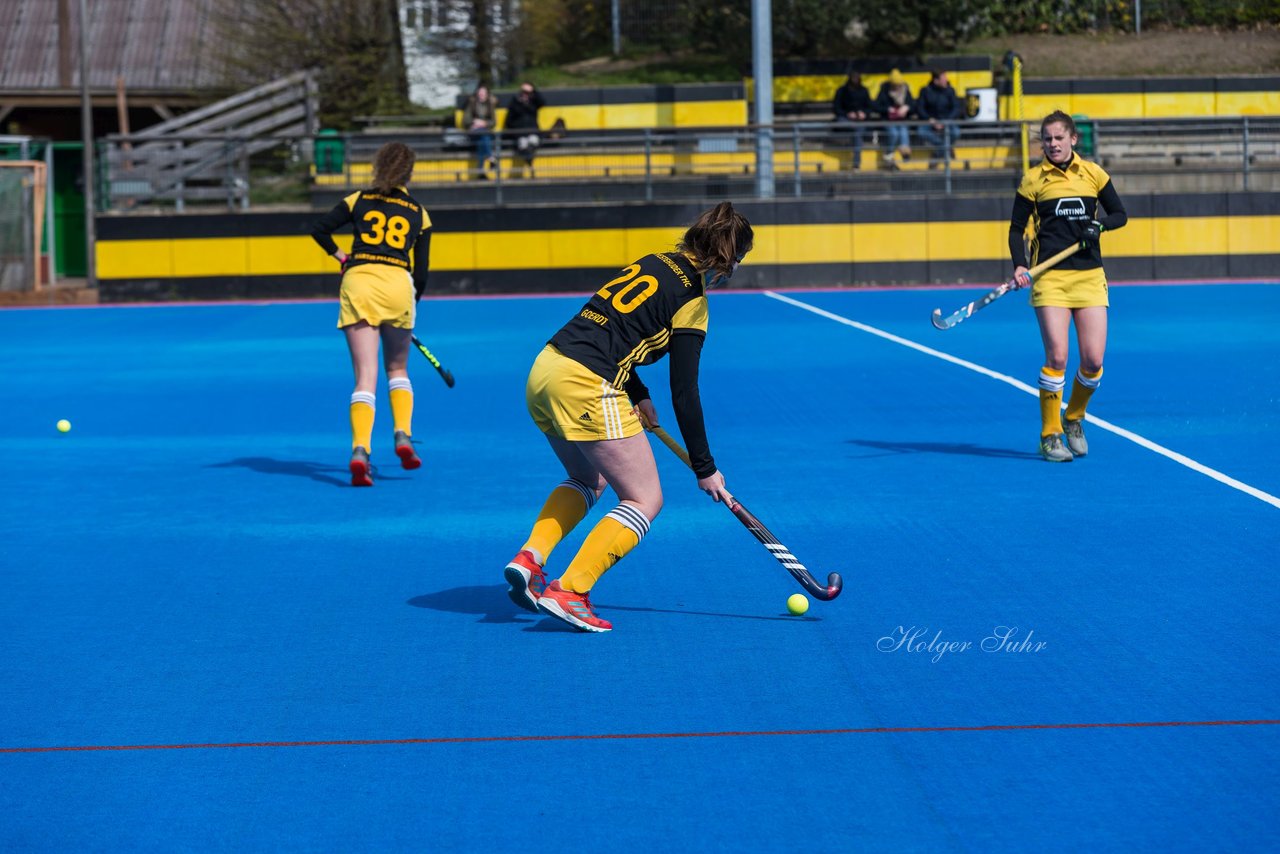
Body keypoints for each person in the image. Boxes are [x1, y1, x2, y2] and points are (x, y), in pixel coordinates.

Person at [504, 202, 754, 632]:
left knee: (587, 479)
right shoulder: (692, 301)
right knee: (644, 498)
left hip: (546, 368)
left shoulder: (651, 261)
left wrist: (637, 393)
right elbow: (685, 391)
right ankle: (571, 589)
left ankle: (530, 559)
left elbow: (612, 327)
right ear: (728, 260)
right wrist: (705, 467)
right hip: (587, 384)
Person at [1008, 111, 1128, 462]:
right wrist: (1019, 264)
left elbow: (1119, 214)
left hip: (1089, 275)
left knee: (1092, 361)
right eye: (1047, 139)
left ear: (1073, 139)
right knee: (1057, 356)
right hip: (1051, 279)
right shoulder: (1032, 180)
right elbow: (1017, 229)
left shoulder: (1093, 174)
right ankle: (1050, 435)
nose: (1053, 144)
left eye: (1059, 138)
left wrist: (1099, 227)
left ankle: (1073, 417)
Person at [310, 141, 433, 485]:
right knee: (397, 368)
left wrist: (341, 257)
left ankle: (360, 450)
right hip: (397, 287)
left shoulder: (357, 200)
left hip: (359, 282)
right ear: (409, 172)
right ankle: (403, 434)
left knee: (365, 376)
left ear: (378, 167)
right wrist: (411, 305)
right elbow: (421, 273)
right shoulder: (419, 213)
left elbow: (319, 229)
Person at [916, 69, 964, 167]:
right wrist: (930, 119)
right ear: (936, 81)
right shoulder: (925, 91)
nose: (946, 80)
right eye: (943, 78)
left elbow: (956, 108)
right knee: (921, 131)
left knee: (956, 132)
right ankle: (946, 148)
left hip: (947, 120)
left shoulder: (950, 90)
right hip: (931, 121)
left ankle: (938, 154)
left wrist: (946, 121)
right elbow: (920, 108)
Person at [832, 71, 874, 170]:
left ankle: (856, 164)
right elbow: (836, 108)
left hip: (860, 121)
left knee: (858, 131)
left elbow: (869, 108)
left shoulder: (864, 91)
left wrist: (863, 114)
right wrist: (847, 114)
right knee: (858, 130)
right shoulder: (841, 91)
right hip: (845, 120)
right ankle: (856, 164)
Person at [875, 69, 915, 169]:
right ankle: (889, 153)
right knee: (894, 133)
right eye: (895, 85)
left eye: (899, 85)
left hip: (901, 120)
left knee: (903, 131)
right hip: (888, 120)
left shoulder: (906, 90)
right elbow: (876, 106)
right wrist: (888, 109)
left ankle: (905, 153)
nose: (897, 87)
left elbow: (913, 105)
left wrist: (907, 107)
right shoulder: (884, 91)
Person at [503, 82, 546, 175]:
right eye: (523, 92)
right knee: (524, 145)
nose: (525, 95)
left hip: (533, 132)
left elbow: (542, 102)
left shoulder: (533, 103)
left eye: (527, 93)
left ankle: (530, 165)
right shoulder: (514, 104)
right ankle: (531, 166)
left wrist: (533, 90)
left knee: (533, 142)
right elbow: (508, 121)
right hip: (520, 134)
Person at [462, 84, 499, 179]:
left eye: (483, 93)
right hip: (473, 131)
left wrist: (484, 123)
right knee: (483, 136)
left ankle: (481, 171)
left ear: (487, 95)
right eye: (479, 93)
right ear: (477, 94)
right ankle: (491, 158)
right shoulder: (471, 104)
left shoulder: (490, 105)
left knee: (482, 141)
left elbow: (494, 122)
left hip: (485, 132)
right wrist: (474, 122)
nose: (481, 95)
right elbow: (465, 121)